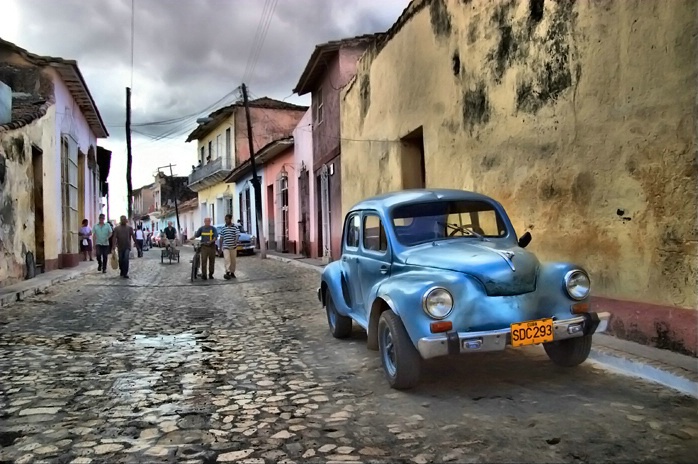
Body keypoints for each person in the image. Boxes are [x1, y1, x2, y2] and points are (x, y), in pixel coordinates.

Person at [218, 214, 240, 280]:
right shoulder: (223, 228)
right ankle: (227, 272)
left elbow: (237, 235)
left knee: (233, 260)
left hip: (233, 246)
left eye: (227, 219)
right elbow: (221, 238)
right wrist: (220, 247)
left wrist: (236, 241)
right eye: (225, 219)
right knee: (227, 259)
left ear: (230, 219)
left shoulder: (235, 227)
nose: (226, 220)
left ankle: (232, 272)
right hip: (226, 246)